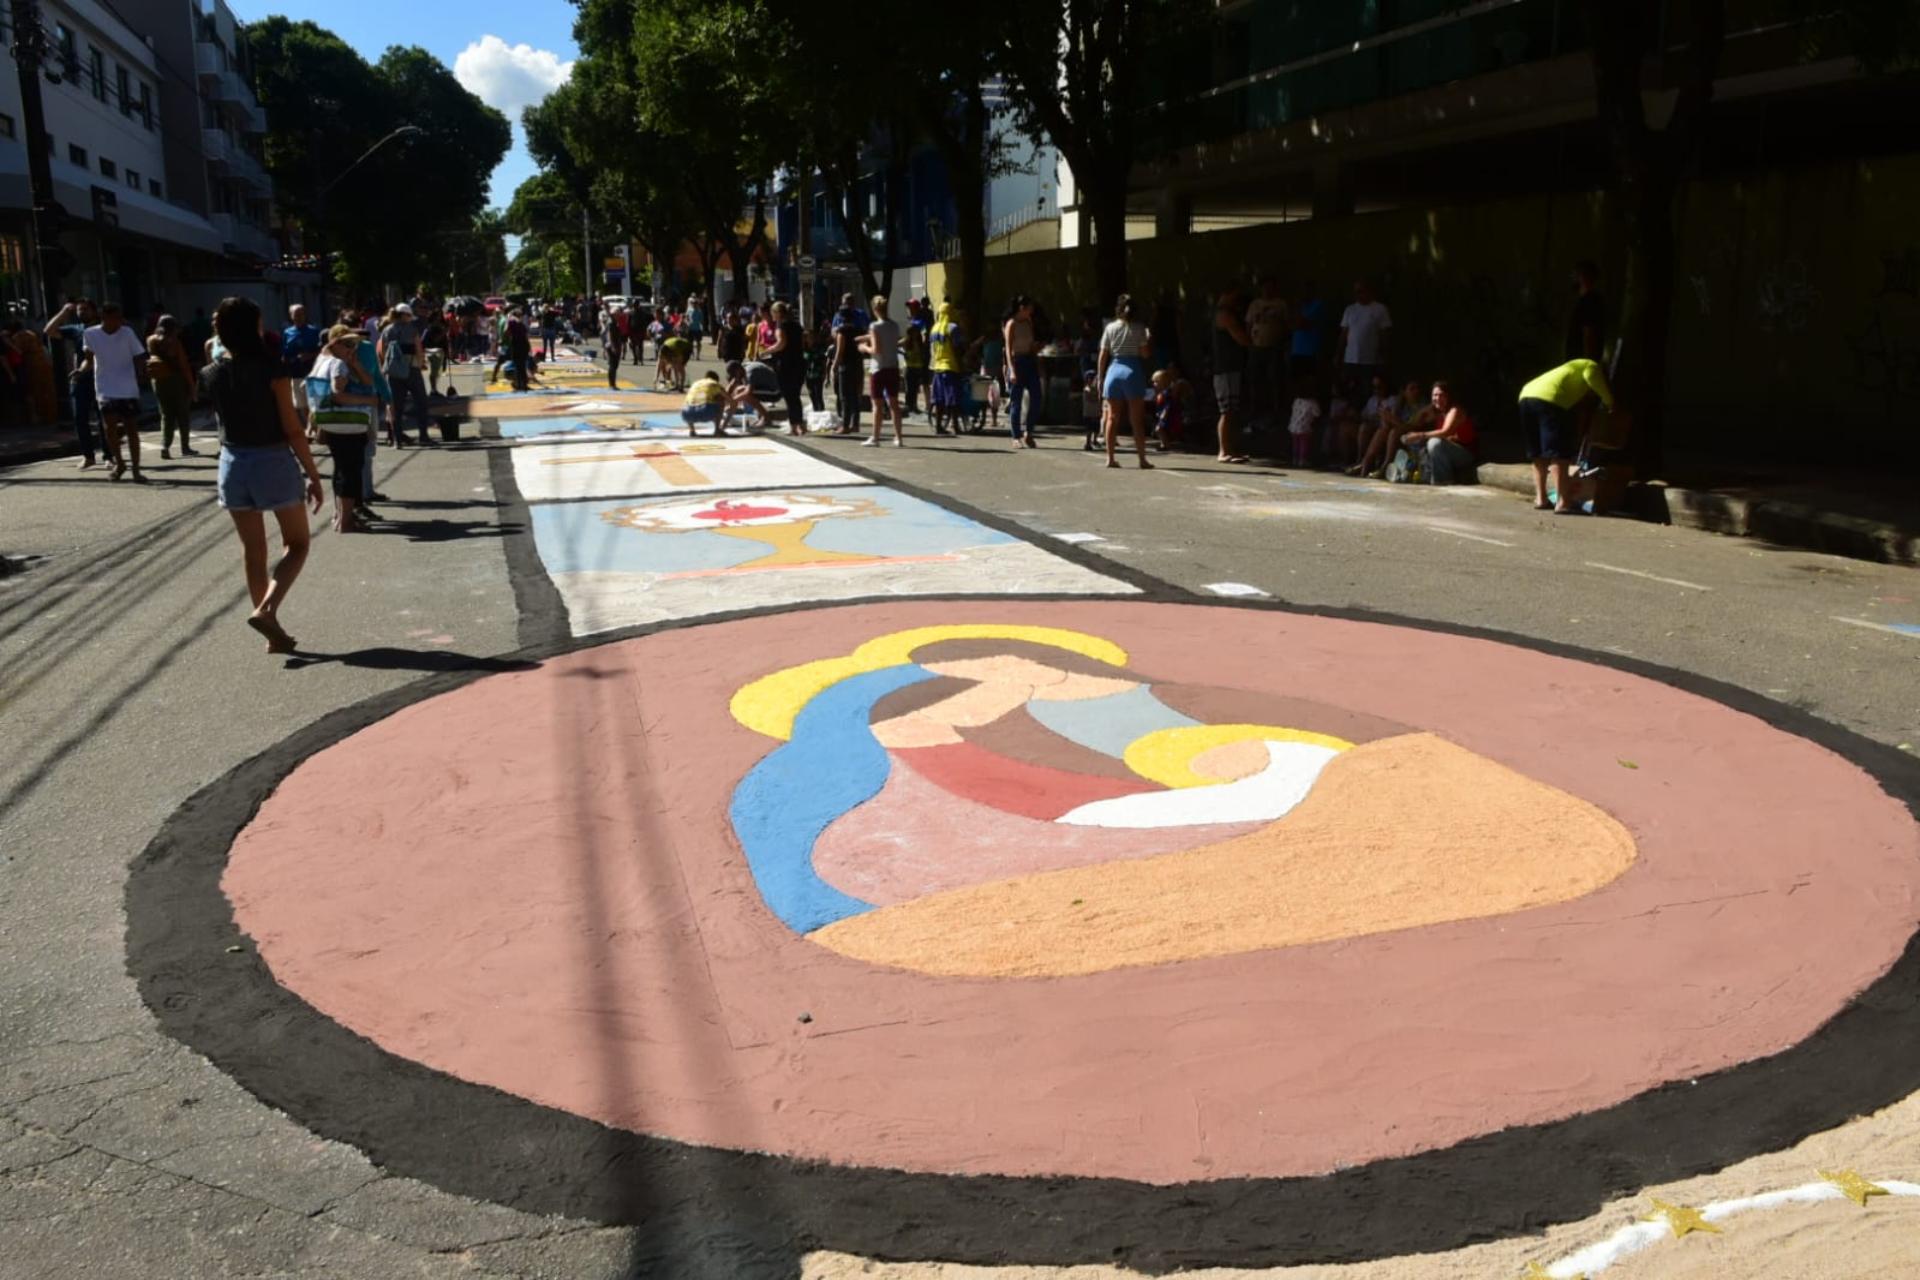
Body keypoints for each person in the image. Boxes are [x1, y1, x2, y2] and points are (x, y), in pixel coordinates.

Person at [201, 296, 325, 654]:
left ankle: (272, 631)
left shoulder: (211, 373)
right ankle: (267, 610)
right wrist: (313, 475)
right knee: (298, 544)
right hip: (271, 460)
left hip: (232, 462)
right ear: (254, 327)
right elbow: (292, 428)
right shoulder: (273, 367)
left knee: (253, 551)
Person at [1518, 357, 1617, 513]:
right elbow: (1591, 377)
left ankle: (1541, 498)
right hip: (1551, 400)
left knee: (1538, 454)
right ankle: (1563, 502)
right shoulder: (1590, 365)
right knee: (1559, 453)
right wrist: (1610, 402)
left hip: (1526, 397)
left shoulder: (1569, 369)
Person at [307, 324, 379, 532]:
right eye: (348, 344)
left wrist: (355, 363)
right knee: (351, 471)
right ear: (336, 343)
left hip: (331, 423)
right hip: (348, 423)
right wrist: (368, 400)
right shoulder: (338, 364)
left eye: (354, 344)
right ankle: (346, 520)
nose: (352, 348)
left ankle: (340, 516)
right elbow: (338, 394)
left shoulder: (323, 360)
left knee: (340, 469)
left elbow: (368, 380)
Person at [85, 302, 149, 483]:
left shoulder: (127, 332)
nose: (120, 321)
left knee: (131, 429)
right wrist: (81, 370)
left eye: (121, 317)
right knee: (109, 428)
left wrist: (141, 371)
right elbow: (89, 359)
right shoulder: (91, 334)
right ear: (104, 318)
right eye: (116, 317)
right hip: (105, 387)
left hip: (127, 387)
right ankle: (119, 463)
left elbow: (138, 355)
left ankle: (136, 469)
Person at [1097, 293, 1154, 470]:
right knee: (1136, 419)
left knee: (1112, 417)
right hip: (1132, 371)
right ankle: (1142, 460)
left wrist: (1100, 377)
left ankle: (1110, 458)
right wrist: (1148, 337)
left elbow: (1103, 354)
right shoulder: (1139, 328)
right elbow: (1145, 354)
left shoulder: (1110, 328)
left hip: (1113, 370)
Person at [44, 299, 103, 469]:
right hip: (80, 378)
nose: (81, 312)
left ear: (94, 311)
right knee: (80, 418)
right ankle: (88, 456)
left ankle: (108, 455)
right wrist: (64, 312)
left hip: (101, 377)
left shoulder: (103, 328)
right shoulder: (76, 330)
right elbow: (49, 331)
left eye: (85, 309)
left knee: (103, 418)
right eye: (79, 310)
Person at [1397, 380, 1478, 485]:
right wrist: (1427, 408)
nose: (1438, 398)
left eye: (1442, 395)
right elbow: (1414, 422)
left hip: (1466, 454)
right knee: (1423, 446)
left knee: (1434, 442)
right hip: (1450, 452)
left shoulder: (1455, 410)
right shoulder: (1438, 413)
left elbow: (1445, 432)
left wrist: (1419, 435)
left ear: (1449, 396)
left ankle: (1444, 481)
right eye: (1435, 395)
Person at [1353, 379, 1433, 478]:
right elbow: (1387, 425)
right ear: (1404, 392)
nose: (1416, 391)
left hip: (1415, 442)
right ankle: (1366, 461)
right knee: (1383, 430)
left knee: (1395, 432)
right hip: (1401, 441)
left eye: (1417, 388)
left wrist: (1393, 419)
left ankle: (1385, 466)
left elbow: (1412, 428)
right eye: (1412, 389)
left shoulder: (1424, 407)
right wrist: (1389, 415)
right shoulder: (1403, 405)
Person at [378, 304, 432, 446]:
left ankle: (397, 440)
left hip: (393, 372)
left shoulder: (386, 330)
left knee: (396, 406)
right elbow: (418, 350)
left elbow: (382, 352)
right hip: (412, 369)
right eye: (409, 316)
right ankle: (424, 436)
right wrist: (421, 364)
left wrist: (388, 367)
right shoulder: (412, 330)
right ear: (403, 315)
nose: (410, 319)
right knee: (421, 402)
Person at [147, 315, 197, 459]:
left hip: (158, 380)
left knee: (165, 415)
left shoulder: (151, 340)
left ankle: (165, 446)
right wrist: (192, 386)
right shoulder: (175, 342)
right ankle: (185, 447)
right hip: (176, 380)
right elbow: (184, 366)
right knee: (183, 414)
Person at [858, 295, 905, 447]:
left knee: (877, 405)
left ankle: (875, 437)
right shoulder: (894, 326)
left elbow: (876, 349)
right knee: (894, 404)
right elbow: (891, 341)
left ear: (874, 309)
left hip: (878, 368)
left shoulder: (874, 326)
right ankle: (898, 437)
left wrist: (863, 347)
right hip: (893, 367)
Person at [1211, 287, 1251, 463]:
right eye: (1234, 298)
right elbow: (1242, 339)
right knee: (1226, 411)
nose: (1237, 302)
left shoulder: (1224, 313)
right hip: (1225, 369)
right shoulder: (1224, 315)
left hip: (1230, 368)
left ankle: (1231, 450)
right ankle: (1223, 451)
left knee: (1232, 410)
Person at [1244, 276, 1289, 421]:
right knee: (1255, 379)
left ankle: (1276, 409)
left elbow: (1286, 324)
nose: (1268, 290)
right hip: (1257, 346)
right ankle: (1256, 408)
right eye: (1265, 287)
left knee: (1275, 378)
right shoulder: (1255, 304)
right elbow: (1248, 324)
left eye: (1271, 287)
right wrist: (1249, 342)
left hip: (1274, 347)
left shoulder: (1280, 304)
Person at [760, 301, 807, 432]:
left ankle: (794, 426)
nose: (772, 316)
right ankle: (800, 424)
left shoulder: (781, 326)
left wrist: (767, 351)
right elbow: (804, 342)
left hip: (786, 364)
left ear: (777, 313)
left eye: (772, 313)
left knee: (788, 395)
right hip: (799, 362)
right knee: (795, 395)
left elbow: (781, 343)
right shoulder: (797, 326)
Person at [1337, 280, 1391, 390]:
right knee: (1348, 389)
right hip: (1350, 359)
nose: (1358, 294)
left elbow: (1384, 335)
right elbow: (1343, 334)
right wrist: (1338, 354)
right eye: (1356, 292)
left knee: (1367, 389)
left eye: (1361, 291)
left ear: (1369, 291)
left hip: (1370, 360)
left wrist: (1384, 355)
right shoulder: (1350, 310)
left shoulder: (1380, 309)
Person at [1003, 295, 1040, 448]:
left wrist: (1036, 349)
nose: (1031, 310)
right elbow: (1008, 349)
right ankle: (1016, 436)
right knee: (1016, 401)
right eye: (1029, 307)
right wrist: (1011, 370)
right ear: (1022, 308)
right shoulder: (1011, 324)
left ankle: (1029, 432)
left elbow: (1030, 343)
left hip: (1029, 361)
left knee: (1037, 397)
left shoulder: (1028, 322)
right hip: (1016, 362)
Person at [829, 293, 867, 436]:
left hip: (845, 365)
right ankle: (855, 424)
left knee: (845, 396)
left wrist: (834, 366)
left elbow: (840, 350)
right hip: (857, 362)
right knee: (856, 394)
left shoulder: (842, 331)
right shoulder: (858, 330)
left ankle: (845, 425)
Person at [926, 302, 966, 436]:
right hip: (950, 367)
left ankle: (938, 426)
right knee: (953, 399)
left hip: (937, 368)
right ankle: (955, 426)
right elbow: (957, 349)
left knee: (939, 399)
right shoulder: (953, 328)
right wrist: (961, 365)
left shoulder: (934, 328)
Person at [281, 305, 323, 426]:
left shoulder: (314, 331)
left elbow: (321, 350)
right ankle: (311, 426)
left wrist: (310, 355)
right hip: (295, 372)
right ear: (291, 316)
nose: (299, 317)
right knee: (301, 404)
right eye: (296, 314)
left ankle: (313, 427)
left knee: (313, 401)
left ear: (305, 315)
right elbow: (284, 353)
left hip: (312, 372)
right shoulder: (287, 332)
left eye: (301, 314)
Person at [1567, 260, 1607, 361]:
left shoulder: (1590, 302)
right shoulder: (1588, 300)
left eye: (1575, 274)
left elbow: (1589, 333)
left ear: (1583, 276)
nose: (1572, 277)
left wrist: (1588, 360)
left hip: (1581, 362)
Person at [724, 360, 776, 432]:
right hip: (764, 386)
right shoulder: (742, 367)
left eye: (735, 375)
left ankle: (766, 418)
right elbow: (731, 385)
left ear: (738, 370)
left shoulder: (749, 373)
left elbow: (748, 392)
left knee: (745, 395)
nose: (736, 378)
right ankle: (759, 414)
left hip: (775, 391)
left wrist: (732, 401)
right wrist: (725, 401)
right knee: (740, 390)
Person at [901, 300, 930, 417]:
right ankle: (913, 405)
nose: (909, 310)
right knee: (912, 383)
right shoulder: (912, 320)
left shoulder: (920, 321)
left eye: (911, 307)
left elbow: (924, 334)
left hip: (919, 357)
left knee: (921, 381)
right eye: (908, 307)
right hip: (911, 358)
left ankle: (925, 405)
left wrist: (921, 347)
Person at [1286, 376, 1321, 467]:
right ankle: (1302, 460)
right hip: (1305, 426)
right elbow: (1317, 414)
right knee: (1304, 444)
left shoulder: (1297, 400)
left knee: (1296, 443)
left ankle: (1295, 459)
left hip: (1293, 425)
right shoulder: (1312, 402)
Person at [681, 370, 730, 435]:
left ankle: (692, 430)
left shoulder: (696, 383)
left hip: (686, 414)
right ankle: (717, 429)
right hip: (706, 412)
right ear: (716, 380)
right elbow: (730, 399)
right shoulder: (715, 384)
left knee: (691, 401)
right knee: (720, 399)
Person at [1150, 368, 1186, 452]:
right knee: (1159, 430)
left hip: (1167, 416)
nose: (1154, 384)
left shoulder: (1166, 394)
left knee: (1158, 429)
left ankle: (1165, 444)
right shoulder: (1160, 394)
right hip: (1163, 415)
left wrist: (1163, 414)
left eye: (1156, 382)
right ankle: (1165, 443)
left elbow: (1168, 405)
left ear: (1163, 382)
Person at [421, 308, 449, 397]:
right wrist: (443, 332)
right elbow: (434, 340)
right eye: (437, 317)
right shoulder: (431, 329)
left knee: (437, 372)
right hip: (433, 352)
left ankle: (434, 389)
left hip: (440, 351)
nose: (439, 319)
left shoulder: (439, 327)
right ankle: (433, 390)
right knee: (434, 371)